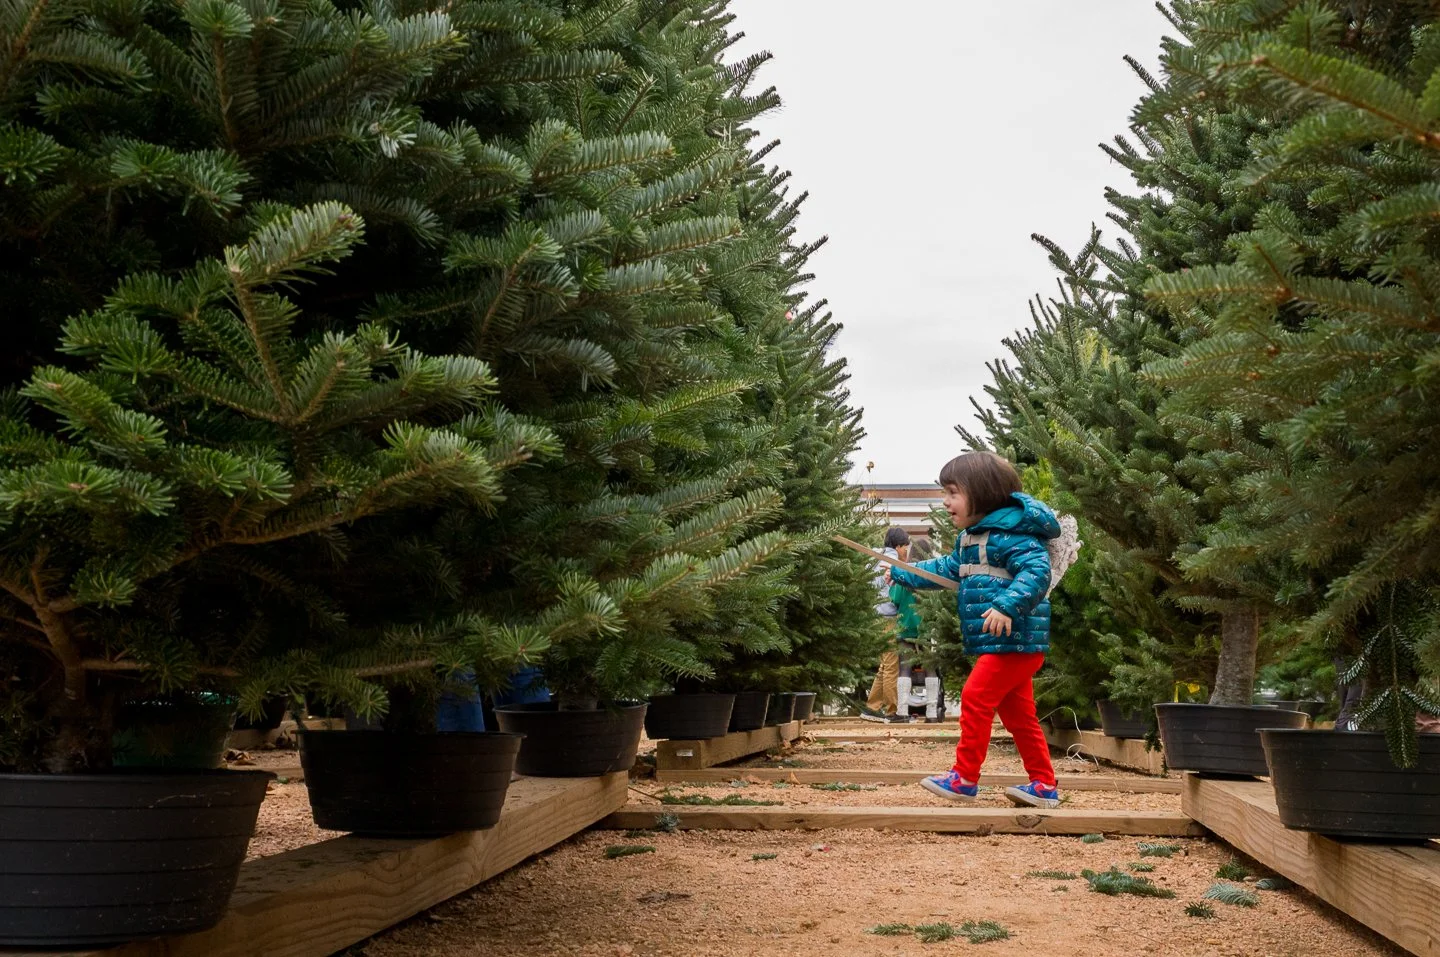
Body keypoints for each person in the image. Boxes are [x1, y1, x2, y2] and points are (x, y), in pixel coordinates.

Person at [888, 451, 1063, 809]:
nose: (946, 501)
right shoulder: (972, 539)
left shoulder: (1014, 535)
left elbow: (1036, 572)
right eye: (944, 493)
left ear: (981, 493)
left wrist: (1006, 605)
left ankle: (965, 778)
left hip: (1017, 640)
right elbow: (946, 568)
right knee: (1019, 716)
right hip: (1005, 644)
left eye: (953, 492)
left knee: (975, 698)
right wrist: (902, 571)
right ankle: (1044, 785)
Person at [861, 527, 912, 722]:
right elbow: (897, 595)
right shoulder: (894, 564)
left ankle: (871, 707)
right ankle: (892, 711)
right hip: (888, 617)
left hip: (874, 616)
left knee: (884, 664)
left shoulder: (874, 559)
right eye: (905, 547)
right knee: (892, 665)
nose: (906, 552)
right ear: (898, 546)